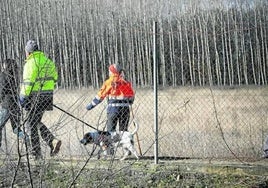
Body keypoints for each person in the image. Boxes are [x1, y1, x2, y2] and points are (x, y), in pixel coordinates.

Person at [19, 40, 61, 159]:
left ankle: (36, 153)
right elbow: (55, 80)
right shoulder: (48, 62)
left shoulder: (30, 63)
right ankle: (52, 141)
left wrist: (22, 97)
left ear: (28, 52)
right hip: (47, 96)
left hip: (34, 97)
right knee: (35, 121)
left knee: (30, 124)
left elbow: (28, 83)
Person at [86, 63, 135, 133]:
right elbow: (131, 98)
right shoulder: (126, 83)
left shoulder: (109, 82)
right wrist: (128, 102)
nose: (109, 72)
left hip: (113, 109)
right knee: (124, 133)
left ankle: (112, 143)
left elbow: (100, 96)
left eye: (109, 71)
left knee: (111, 132)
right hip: (125, 110)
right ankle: (123, 143)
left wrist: (90, 106)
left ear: (113, 72)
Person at [0, 59, 27, 147]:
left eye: (3, 64)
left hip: (7, 106)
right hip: (15, 104)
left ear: (6, 66)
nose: (2, 66)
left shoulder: (4, 75)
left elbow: (2, 90)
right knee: (16, 129)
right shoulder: (15, 75)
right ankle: (29, 141)